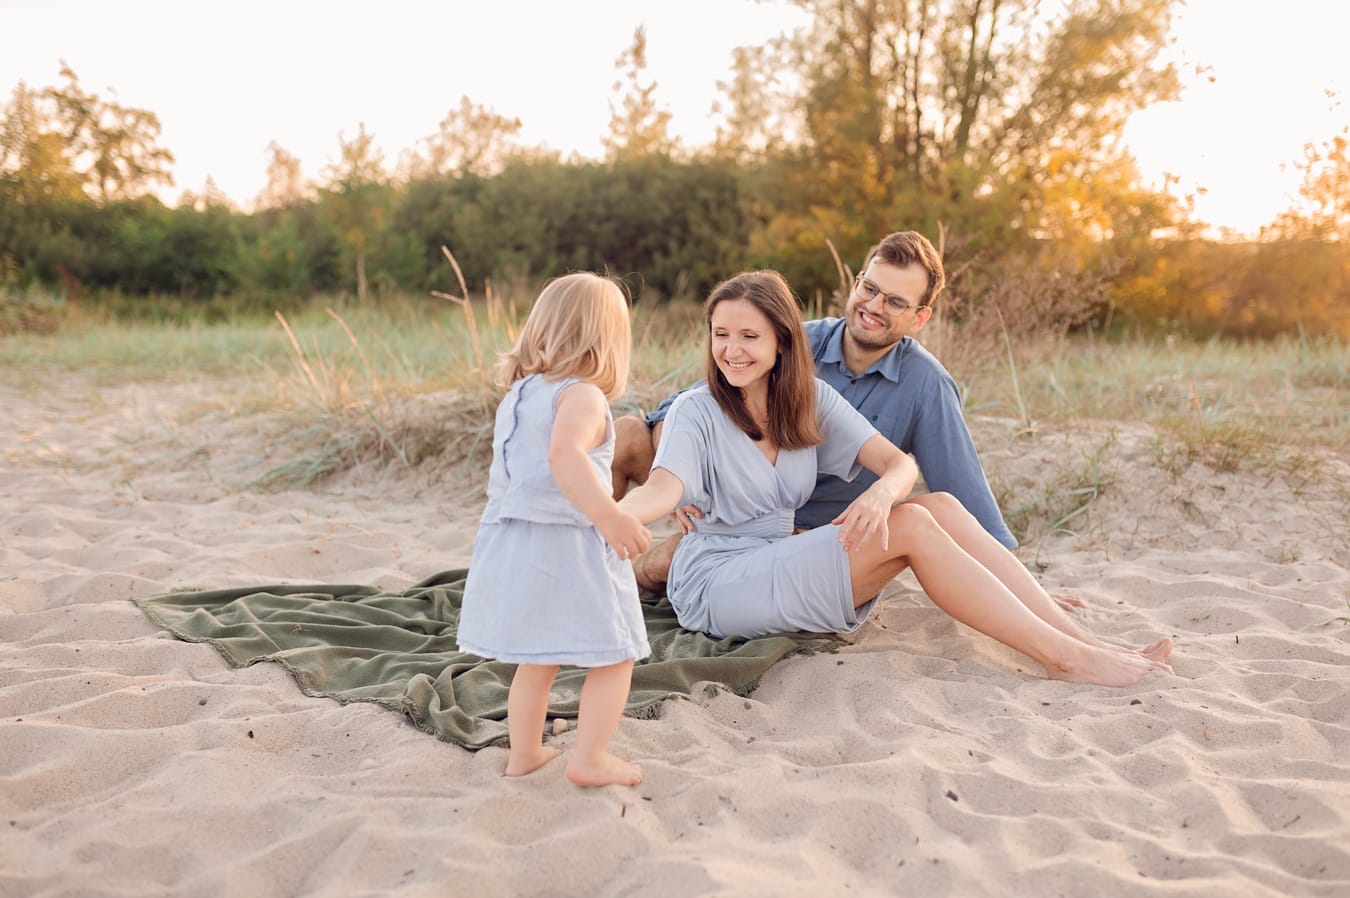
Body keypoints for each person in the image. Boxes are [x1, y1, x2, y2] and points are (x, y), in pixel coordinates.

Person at [616, 270, 1172, 687]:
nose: (731, 351)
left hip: (778, 555)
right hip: (718, 580)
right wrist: (613, 516)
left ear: (783, 341)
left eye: (749, 337)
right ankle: (1065, 659)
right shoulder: (697, 409)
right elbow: (663, 488)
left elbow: (899, 466)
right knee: (911, 528)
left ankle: (1084, 640)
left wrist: (882, 493)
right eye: (720, 335)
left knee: (942, 507)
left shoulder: (808, 399)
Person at [612, 230, 1015, 592]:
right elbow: (685, 404)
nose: (874, 306)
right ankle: (575, 550)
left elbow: (963, 495)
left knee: (670, 560)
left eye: (894, 302)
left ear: (919, 318)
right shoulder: (797, 341)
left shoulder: (927, 385)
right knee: (628, 432)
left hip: (806, 532)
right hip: (733, 497)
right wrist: (681, 479)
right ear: (856, 283)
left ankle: (630, 575)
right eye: (869, 288)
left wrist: (1024, 587)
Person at [457, 272, 652, 787]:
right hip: (567, 540)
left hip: (514, 539)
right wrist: (609, 515)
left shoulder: (520, 394)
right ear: (608, 342)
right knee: (617, 651)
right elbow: (563, 456)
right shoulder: (583, 397)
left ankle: (524, 753)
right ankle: (590, 758)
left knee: (536, 657)